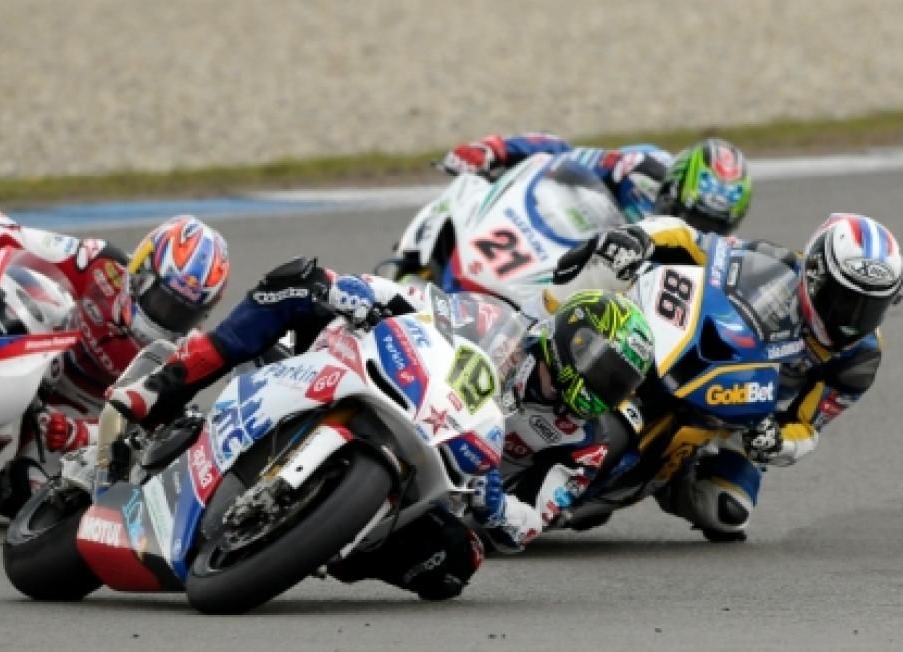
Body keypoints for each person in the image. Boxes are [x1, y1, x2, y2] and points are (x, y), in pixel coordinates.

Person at [106, 256, 656, 599]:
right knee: (300, 282)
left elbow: (534, 522)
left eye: (616, 382)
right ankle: (165, 385)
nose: (601, 384)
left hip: (445, 486)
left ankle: (320, 541)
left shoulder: (583, 445)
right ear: (569, 337)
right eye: (599, 364)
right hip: (398, 387)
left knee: (455, 564)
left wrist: (496, 504)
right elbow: (425, 305)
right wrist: (361, 291)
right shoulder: (504, 326)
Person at [535, 212, 902, 540]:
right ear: (816, 275)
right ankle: (536, 324)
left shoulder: (860, 359)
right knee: (604, 275)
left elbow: (808, 426)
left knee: (726, 510)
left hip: (745, 422)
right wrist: (640, 237)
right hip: (699, 359)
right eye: (844, 300)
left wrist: (777, 442)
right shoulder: (773, 265)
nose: (852, 319)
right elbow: (688, 239)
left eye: (871, 307)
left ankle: (670, 475)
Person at [0, 208, 230, 515]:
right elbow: (17, 236)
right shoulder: (100, 263)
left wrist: (78, 433)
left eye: (183, 313)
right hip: (34, 347)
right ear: (141, 273)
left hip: (71, 414)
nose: (166, 318)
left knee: (38, 491)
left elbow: (148, 430)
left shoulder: (180, 353)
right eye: (164, 302)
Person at [440, 133, 752, 234]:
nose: (698, 231)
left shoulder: (715, 254)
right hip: (564, 235)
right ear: (672, 191)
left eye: (713, 227)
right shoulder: (638, 169)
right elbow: (564, 153)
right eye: (693, 218)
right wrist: (496, 150)